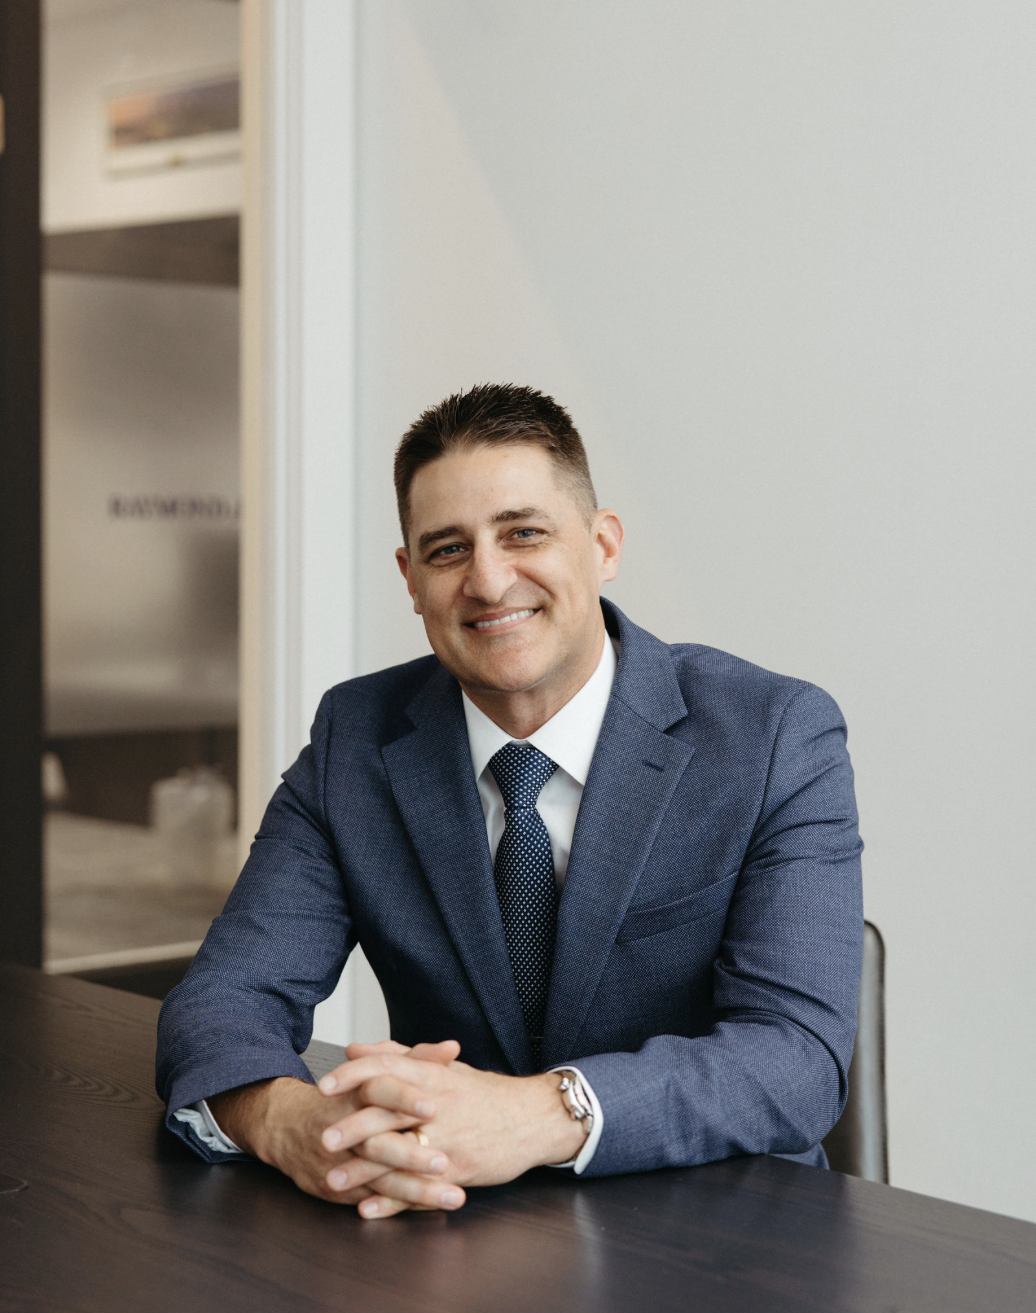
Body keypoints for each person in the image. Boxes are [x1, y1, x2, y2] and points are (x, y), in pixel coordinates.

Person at [157, 383, 863, 1220]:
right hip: (448, 1228)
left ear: (603, 545)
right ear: (411, 579)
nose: (489, 582)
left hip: (721, 1236)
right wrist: (298, 1126)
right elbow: (222, 1001)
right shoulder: (357, 737)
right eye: (448, 550)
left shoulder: (774, 735)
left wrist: (537, 1115)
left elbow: (796, 1058)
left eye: (524, 533)